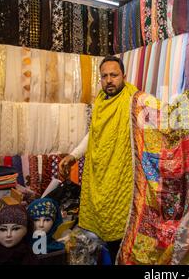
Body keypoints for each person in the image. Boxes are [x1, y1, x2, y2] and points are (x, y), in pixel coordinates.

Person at [59, 56, 138, 263]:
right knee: (101, 230)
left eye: (114, 75)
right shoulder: (100, 102)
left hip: (122, 178)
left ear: (124, 76)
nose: (109, 80)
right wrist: (73, 155)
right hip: (99, 175)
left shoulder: (135, 100)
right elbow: (92, 134)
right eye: (105, 76)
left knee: (121, 235)